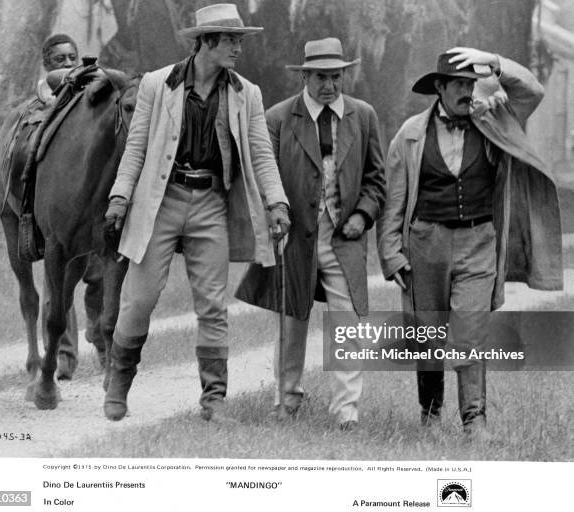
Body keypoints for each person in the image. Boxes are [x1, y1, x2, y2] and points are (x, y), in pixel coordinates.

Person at [103, 4, 291, 422]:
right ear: (206, 42)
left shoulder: (247, 93)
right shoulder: (157, 84)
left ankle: (214, 400)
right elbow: (135, 147)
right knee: (141, 298)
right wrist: (120, 197)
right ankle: (118, 383)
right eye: (231, 40)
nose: (238, 49)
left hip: (211, 203)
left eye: (239, 40)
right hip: (161, 200)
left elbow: (262, 153)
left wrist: (277, 203)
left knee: (212, 306)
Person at [377, 47, 562, 436]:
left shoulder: (494, 120)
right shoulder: (410, 135)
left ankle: (474, 419)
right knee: (427, 334)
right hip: (425, 243)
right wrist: (390, 252)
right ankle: (429, 416)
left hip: (480, 241)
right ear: (440, 88)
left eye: (471, 83)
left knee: (470, 330)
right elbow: (394, 201)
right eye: (458, 84)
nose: (467, 91)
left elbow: (532, 91)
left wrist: (493, 60)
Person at [236, 37, 386, 431]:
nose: (330, 86)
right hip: (294, 235)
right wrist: (274, 214)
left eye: (336, 77)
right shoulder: (279, 118)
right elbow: (261, 179)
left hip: (344, 236)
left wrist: (363, 215)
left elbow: (376, 180)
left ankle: (346, 412)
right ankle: (286, 400)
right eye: (321, 77)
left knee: (348, 323)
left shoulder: (364, 116)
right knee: (291, 322)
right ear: (305, 75)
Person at [38, 34, 107, 378]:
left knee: (99, 278)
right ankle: (64, 355)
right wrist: (72, 76)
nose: (67, 62)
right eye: (59, 58)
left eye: (72, 57)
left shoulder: (95, 86)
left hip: (93, 200)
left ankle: (101, 338)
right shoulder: (50, 87)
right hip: (64, 201)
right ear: (48, 64)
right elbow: (57, 81)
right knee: (60, 285)